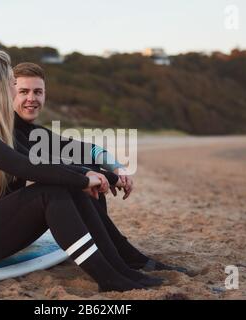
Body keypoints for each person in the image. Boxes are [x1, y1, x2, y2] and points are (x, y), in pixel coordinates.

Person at [0, 48, 164, 293]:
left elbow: (58, 158)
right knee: (51, 192)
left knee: (66, 183)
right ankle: (110, 277)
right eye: (13, 84)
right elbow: (26, 166)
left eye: (36, 91)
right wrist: (86, 177)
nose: (15, 91)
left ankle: (121, 268)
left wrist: (106, 174)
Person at [11, 62, 188, 274]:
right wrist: (102, 178)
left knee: (87, 163)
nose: (32, 98)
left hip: (18, 215)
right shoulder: (4, 131)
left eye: (38, 92)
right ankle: (120, 251)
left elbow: (84, 149)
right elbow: (47, 168)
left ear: (45, 95)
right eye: (23, 91)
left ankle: (112, 246)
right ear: (9, 93)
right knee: (73, 176)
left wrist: (117, 168)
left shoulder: (32, 132)